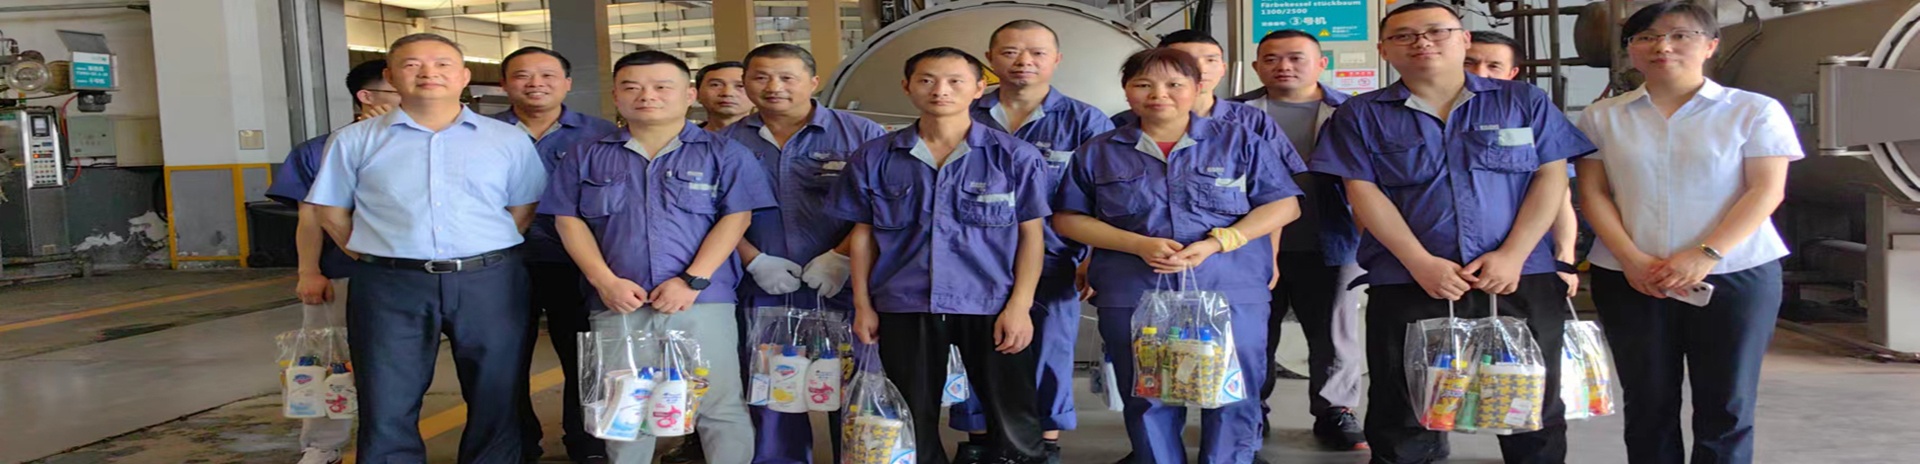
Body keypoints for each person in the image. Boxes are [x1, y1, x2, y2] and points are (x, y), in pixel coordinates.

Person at [1308, 3, 1596, 462]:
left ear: (1464, 39)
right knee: (1404, 405)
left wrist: (1514, 254)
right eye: (1404, 35)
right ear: (1383, 50)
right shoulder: (1360, 115)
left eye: (1436, 31)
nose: (1421, 42)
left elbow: (1551, 177)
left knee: (1530, 402)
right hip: (1409, 281)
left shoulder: (1522, 101)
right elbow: (1362, 193)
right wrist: (1420, 262)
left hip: (1519, 277)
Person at [305, 33, 548, 463]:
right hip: (389, 283)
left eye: (442, 64)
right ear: (391, 76)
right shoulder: (355, 140)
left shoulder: (507, 139)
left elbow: (523, 207)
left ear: (464, 76)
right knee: (386, 393)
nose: (428, 73)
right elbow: (331, 210)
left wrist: (480, 250)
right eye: (412, 64)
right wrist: (371, 254)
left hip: (489, 281)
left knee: (497, 389)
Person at [1055, 47, 1303, 464]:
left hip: (1229, 287)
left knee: (1233, 389)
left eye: (1174, 84)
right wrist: (1137, 244)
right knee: (1147, 392)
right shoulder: (1098, 151)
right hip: (1136, 290)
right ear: (1126, 90)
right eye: (1144, 84)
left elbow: (1284, 205)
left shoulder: (1240, 141)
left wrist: (1219, 242)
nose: (1159, 95)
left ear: (1198, 87)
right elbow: (1068, 218)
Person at [1576, 3, 1798, 463]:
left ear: (1710, 45)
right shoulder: (1602, 116)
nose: (1663, 46)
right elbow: (1594, 193)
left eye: (1680, 35)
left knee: (1727, 403)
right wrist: (1632, 259)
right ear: (1631, 50)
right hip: (1632, 277)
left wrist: (1705, 254)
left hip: (1734, 274)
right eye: (1646, 37)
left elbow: (1765, 190)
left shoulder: (1753, 110)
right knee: (1647, 402)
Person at [541, 50, 774, 464]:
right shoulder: (585, 154)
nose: (647, 95)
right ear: (616, 95)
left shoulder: (724, 154)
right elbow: (568, 220)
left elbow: (737, 218)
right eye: (632, 87)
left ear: (688, 94)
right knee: (624, 405)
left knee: (718, 405)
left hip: (702, 301)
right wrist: (605, 282)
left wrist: (693, 280)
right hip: (619, 302)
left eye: (662, 86)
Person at [830, 47, 1052, 464]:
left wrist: (1020, 306)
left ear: (979, 88)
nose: (940, 90)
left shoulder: (1014, 157)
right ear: (907, 86)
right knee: (911, 414)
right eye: (927, 80)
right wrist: (862, 305)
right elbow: (863, 237)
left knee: (1013, 414)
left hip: (990, 302)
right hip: (903, 301)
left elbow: (1031, 237)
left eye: (955, 81)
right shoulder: (875, 157)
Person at [945, 19, 1113, 464]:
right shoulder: (965, 111)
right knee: (976, 350)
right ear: (990, 59)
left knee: (1048, 352)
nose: (1024, 62)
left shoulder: (1084, 121)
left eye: (1037, 53)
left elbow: (1105, 196)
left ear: (1056, 59)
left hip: (1055, 259)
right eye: (1010, 52)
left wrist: (1092, 257)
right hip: (971, 260)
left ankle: (1044, 444)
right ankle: (980, 443)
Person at [716, 43, 886, 464]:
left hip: (849, 287)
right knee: (775, 390)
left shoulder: (862, 134)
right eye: (760, 77)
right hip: (764, 287)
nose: (774, 87)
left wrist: (841, 256)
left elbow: (883, 205)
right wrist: (754, 259)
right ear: (746, 83)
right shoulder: (722, 143)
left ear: (813, 82)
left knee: (858, 387)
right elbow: (711, 214)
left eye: (787, 77)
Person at [1226, 28, 1367, 451]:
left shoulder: (1351, 112)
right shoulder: (1233, 113)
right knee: (1252, 332)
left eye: (1295, 58)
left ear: (1321, 64)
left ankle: (1335, 411)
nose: (1283, 66)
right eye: (1271, 59)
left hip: (1333, 238)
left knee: (1334, 331)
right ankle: (1249, 410)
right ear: (1256, 66)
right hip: (1249, 242)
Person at [488, 45, 621, 464]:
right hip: (499, 265)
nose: (535, 84)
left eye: (547, 75)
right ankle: (517, 444)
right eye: (522, 75)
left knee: (585, 356)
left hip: (578, 265)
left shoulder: (599, 134)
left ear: (567, 83)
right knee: (503, 359)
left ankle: (587, 444)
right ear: (504, 84)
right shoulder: (478, 132)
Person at [267, 59, 399, 464]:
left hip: (410, 276)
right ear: (367, 96)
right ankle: (322, 445)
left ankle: (396, 442)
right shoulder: (320, 149)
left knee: (397, 365)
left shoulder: (428, 142)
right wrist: (309, 271)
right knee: (329, 360)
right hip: (342, 273)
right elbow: (310, 217)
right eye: (399, 90)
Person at [1468, 30, 1583, 298]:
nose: (1480, 73)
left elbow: (1559, 194)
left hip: (1527, 264)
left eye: (1494, 66)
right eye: (1469, 63)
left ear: (1512, 73)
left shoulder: (1529, 108)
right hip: (1446, 269)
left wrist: (1564, 259)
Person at [1112, 30, 1285, 145]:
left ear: (1223, 68)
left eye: (1210, 60)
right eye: (1186, 61)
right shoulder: (1120, 124)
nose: (1201, 69)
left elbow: (1281, 179)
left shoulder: (1253, 121)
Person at [698, 61, 754, 132]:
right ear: (697, 94)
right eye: (715, 85)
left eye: (740, 86)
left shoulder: (766, 136)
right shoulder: (686, 137)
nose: (727, 93)